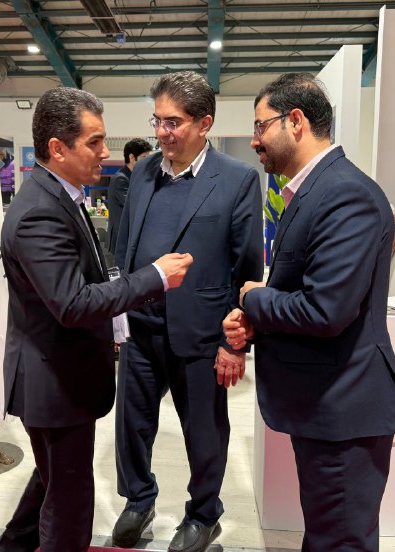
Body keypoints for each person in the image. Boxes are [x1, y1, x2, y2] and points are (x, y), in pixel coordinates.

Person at [0, 87, 193, 552]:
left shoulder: (62, 196)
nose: (105, 153)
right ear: (57, 148)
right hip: (54, 382)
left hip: (60, 376)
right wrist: (155, 278)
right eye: (94, 142)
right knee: (70, 506)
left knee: (52, 482)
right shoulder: (40, 212)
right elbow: (73, 303)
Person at [223, 73, 395, 552]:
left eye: (260, 126)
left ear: (296, 121)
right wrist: (258, 320)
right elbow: (310, 294)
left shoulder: (344, 193)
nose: (254, 140)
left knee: (338, 540)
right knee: (329, 535)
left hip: (343, 406)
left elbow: (326, 309)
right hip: (327, 403)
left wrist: (253, 298)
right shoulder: (314, 190)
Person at [112, 71, 263, 552]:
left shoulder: (237, 179)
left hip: (201, 332)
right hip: (140, 328)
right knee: (131, 426)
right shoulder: (142, 174)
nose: (162, 132)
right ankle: (139, 500)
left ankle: (203, 514)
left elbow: (247, 269)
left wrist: (235, 343)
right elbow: (124, 247)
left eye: (172, 122)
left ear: (204, 123)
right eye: (157, 120)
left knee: (204, 432)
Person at [106, 138, 152, 254]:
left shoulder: (135, 176)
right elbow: (135, 205)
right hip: (121, 240)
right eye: (144, 158)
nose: (147, 162)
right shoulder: (121, 179)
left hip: (130, 238)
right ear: (132, 157)